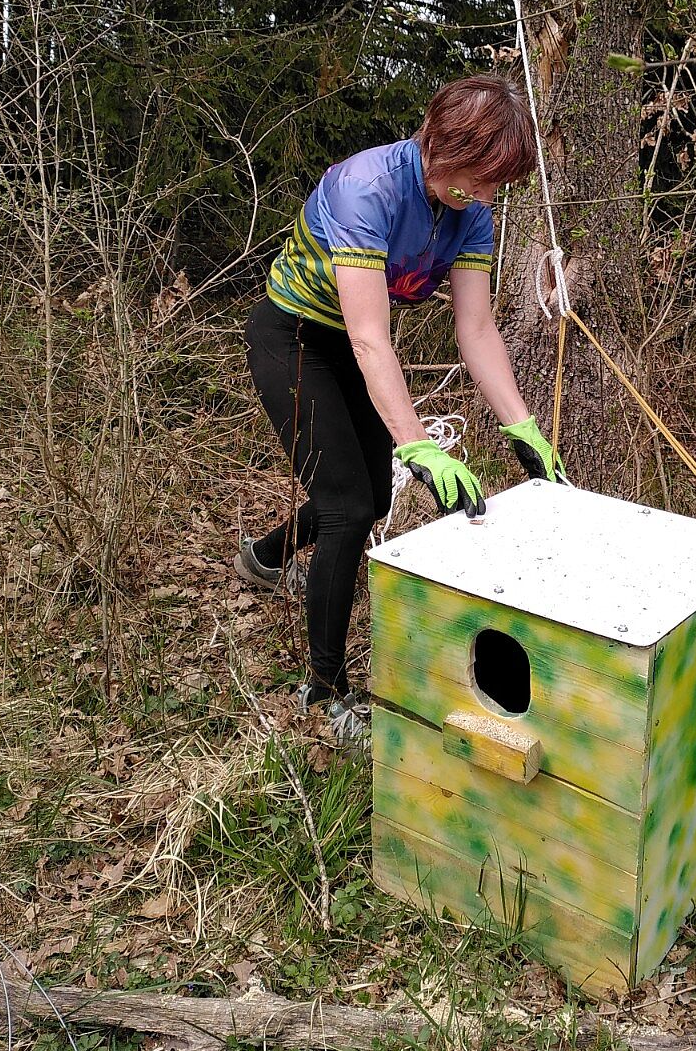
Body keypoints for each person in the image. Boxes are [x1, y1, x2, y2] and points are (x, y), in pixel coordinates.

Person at [236, 74, 564, 741]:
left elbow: (475, 331)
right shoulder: (368, 188)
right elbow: (368, 336)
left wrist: (522, 426)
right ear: (439, 142)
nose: (486, 194)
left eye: (498, 183)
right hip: (295, 337)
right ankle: (324, 692)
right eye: (479, 175)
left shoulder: (471, 214)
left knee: (370, 501)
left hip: (354, 348)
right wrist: (419, 444)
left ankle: (266, 557)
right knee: (349, 508)